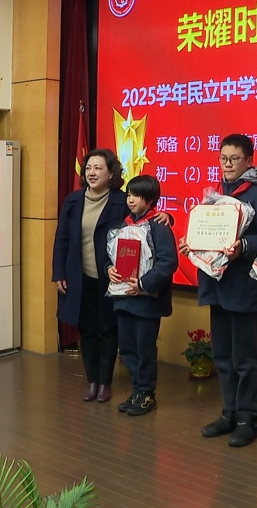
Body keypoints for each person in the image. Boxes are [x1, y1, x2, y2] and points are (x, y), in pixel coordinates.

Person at [179, 134, 257, 447]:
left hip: (246, 288)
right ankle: (229, 412)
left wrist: (245, 246)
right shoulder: (214, 196)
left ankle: (248, 418)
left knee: (244, 358)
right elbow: (205, 234)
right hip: (217, 285)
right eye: (223, 158)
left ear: (249, 161)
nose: (227, 164)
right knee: (222, 355)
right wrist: (192, 244)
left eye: (234, 159)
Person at [51, 149, 128, 403]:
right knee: (87, 330)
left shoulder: (122, 201)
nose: (92, 173)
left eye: (98, 168)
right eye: (88, 168)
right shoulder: (73, 201)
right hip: (79, 276)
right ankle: (92, 381)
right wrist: (59, 272)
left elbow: (143, 219)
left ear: (111, 173)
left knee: (108, 330)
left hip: (110, 278)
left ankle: (105, 383)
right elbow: (62, 238)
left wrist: (165, 216)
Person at [105, 174, 178, 417]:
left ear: (150, 199)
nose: (130, 200)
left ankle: (147, 393)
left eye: (136, 196)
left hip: (146, 301)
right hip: (124, 298)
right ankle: (137, 390)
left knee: (144, 349)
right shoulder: (123, 226)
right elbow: (111, 256)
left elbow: (168, 263)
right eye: (129, 195)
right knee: (127, 349)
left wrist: (144, 284)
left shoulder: (159, 227)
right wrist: (109, 269)